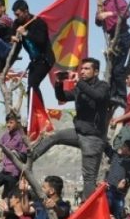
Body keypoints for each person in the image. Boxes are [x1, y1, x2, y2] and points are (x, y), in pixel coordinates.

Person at [31, 58, 110, 201]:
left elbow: (98, 97)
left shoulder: (103, 86)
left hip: (93, 138)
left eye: (87, 69)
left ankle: (88, 208)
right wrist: (59, 83)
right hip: (79, 132)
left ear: (96, 71)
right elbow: (62, 96)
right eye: (82, 69)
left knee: (89, 177)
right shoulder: (81, 87)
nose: (83, 71)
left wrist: (78, 81)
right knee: (54, 136)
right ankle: (29, 157)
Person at [95, 0, 130, 107]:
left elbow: (126, 13)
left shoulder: (119, 1)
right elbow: (98, 22)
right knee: (111, 70)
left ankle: (121, 96)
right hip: (112, 40)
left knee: (117, 70)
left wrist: (109, 14)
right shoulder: (104, 4)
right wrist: (100, 11)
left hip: (121, 37)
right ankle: (111, 95)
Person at [9, 0, 55, 102]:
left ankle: (39, 114)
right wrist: (12, 38)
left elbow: (41, 41)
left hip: (45, 60)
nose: (16, 17)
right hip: (34, 61)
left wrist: (26, 33)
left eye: (18, 14)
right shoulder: (17, 23)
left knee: (33, 85)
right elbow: (12, 35)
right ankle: (32, 114)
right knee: (30, 89)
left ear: (26, 12)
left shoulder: (39, 22)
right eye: (15, 15)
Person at [0, 112, 27, 200]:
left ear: (17, 123)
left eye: (11, 122)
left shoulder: (22, 137)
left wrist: (14, 152)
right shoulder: (6, 136)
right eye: (7, 122)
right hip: (5, 170)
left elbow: (24, 156)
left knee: (7, 196)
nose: (8, 125)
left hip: (14, 173)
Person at [103, 139, 130, 219]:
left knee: (116, 217)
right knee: (105, 213)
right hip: (108, 190)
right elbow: (106, 147)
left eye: (124, 147)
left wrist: (127, 181)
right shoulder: (115, 156)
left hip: (120, 195)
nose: (122, 147)